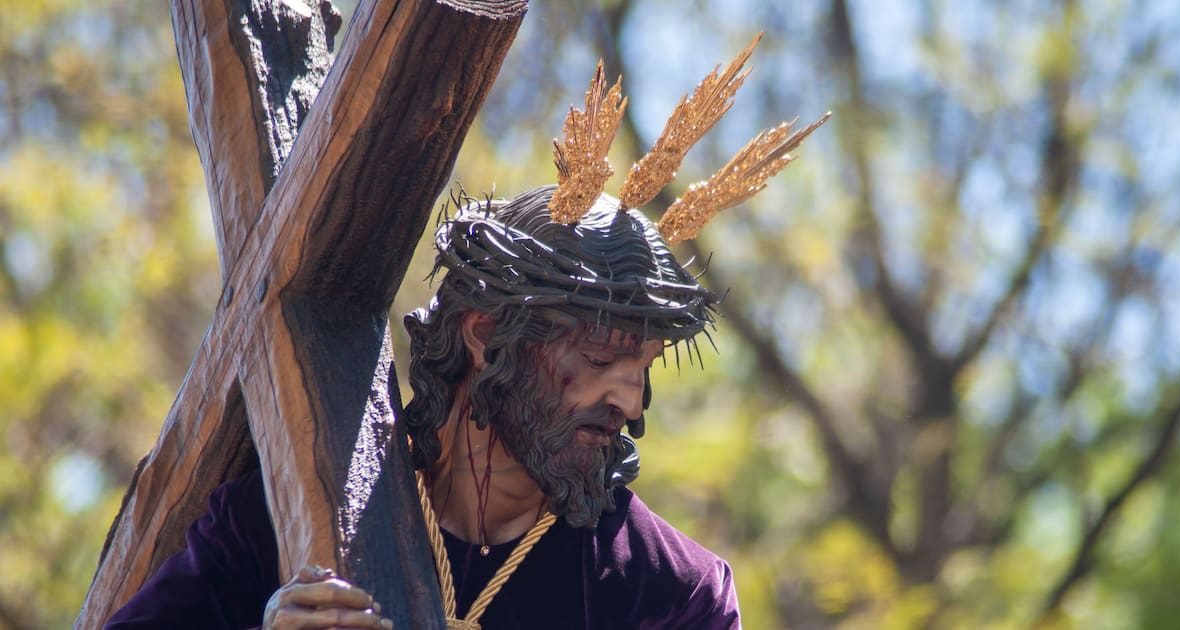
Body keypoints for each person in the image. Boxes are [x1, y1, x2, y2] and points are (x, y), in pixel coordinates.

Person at [105, 38, 826, 630]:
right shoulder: (280, 516)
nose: (631, 403)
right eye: (600, 358)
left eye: (642, 369)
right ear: (483, 334)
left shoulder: (670, 594)